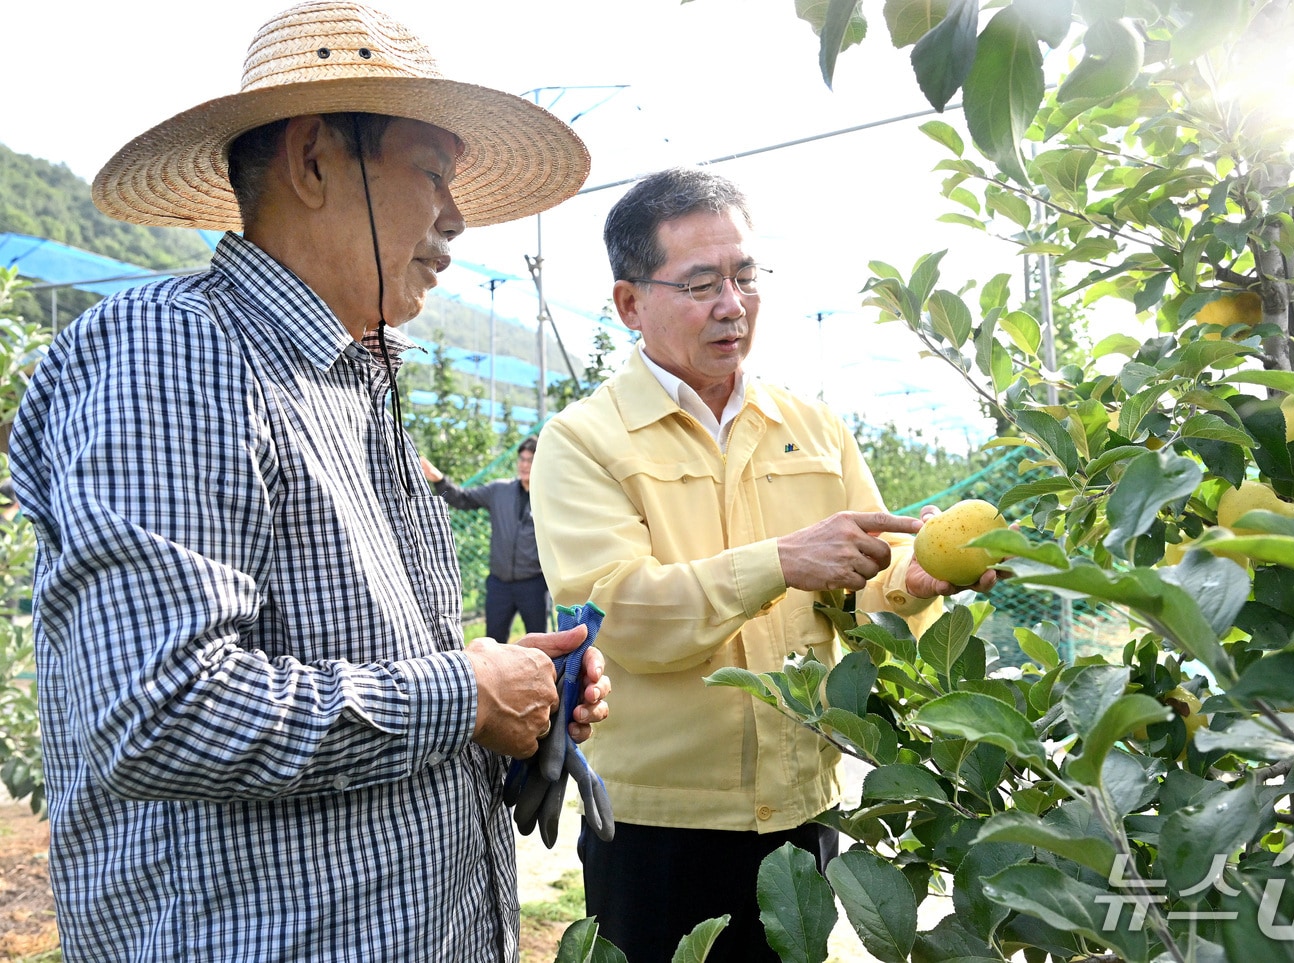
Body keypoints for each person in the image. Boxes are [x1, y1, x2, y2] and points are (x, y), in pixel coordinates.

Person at [8, 4, 609, 961]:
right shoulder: (182, 353)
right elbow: (161, 709)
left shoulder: (355, 383)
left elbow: (347, 655)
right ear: (315, 159)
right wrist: (462, 693)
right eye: (433, 172)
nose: (455, 217)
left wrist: (512, 693)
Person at [531, 167, 998, 962]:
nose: (733, 304)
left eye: (746, 276)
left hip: (799, 813)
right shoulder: (585, 441)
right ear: (629, 303)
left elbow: (862, 590)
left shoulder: (812, 427)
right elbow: (622, 613)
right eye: (702, 282)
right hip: (658, 826)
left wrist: (912, 586)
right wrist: (781, 560)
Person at [421, 438, 549, 643]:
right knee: (493, 643)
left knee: (540, 643)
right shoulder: (499, 491)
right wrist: (438, 482)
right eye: (522, 459)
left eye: (531, 460)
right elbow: (461, 499)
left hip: (533, 584)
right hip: (500, 585)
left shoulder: (548, 497)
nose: (525, 465)